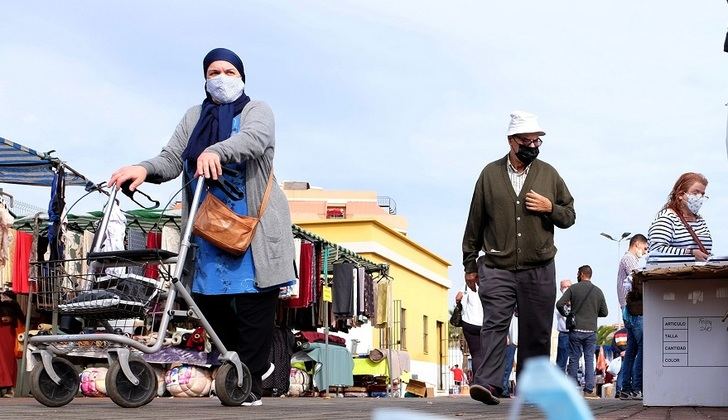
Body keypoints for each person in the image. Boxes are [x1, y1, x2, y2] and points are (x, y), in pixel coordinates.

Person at [109, 48, 296, 407]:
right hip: (207, 227)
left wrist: (217, 151)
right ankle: (237, 368)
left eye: (229, 71)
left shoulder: (257, 110)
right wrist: (143, 169)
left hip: (252, 227)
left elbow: (255, 140)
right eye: (214, 71)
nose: (221, 77)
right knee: (207, 301)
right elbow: (171, 157)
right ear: (204, 78)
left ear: (241, 77)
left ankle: (251, 379)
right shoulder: (195, 116)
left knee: (255, 305)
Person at [462, 110, 576, 405]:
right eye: (527, 141)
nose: (533, 146)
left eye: (537, 141)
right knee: (494, 326)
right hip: (497, 265)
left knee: (536, 331)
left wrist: (550, 206)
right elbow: (474, 221)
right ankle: (487, 384)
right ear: (512, 141)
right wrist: (469, 265)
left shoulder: (548, 174)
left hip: (539, 267)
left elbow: (569, 216)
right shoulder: (489, 174)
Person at [556, 265, 608, 397]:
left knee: (573, 358)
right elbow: (605, 312)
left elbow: (559, 304)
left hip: (576, 330)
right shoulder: (598, 291)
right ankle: (589, 388)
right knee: (589, 359)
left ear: (581, 274)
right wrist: (592, 314)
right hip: (591, 331)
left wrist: (567, 314)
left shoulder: (573, 289)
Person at [648, 172, 712, 260]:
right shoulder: (667, 218)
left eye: (702, 194)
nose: (699, 197)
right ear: (681, 195)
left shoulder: (700, 220)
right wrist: (690, 253)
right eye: (695, 193)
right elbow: (655, 251)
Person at [616, 234, 647, 400]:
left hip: (628, 311)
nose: (645, 251)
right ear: (637, 244)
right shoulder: (629, 259)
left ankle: (626, 388)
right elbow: (638, 277)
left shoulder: (627, 259)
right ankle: (636, 387)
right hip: (634, 310)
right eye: (645, 248)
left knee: (631, 351)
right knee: (643, 348)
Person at [455, 282, 484, 379]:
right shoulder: (489, 282)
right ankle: (488, 382)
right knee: (488, 354)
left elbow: (458, 297)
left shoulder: (467, 284)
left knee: (476, 354)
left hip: (469, 323)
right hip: (486, 324)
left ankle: (478, 381)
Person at [0, 290, 24, 397]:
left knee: (8, 360)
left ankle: (9, 387)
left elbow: (21, 318)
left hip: (9, 333)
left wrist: (11, 303)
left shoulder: (14, 305)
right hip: (2, 332)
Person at [555, 279, 572, 372]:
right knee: (561, 361)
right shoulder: (559, 302)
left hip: (575, 333)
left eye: (568, 286)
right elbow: (562, 313)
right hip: (564, 333)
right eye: (564, 287)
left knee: (575, 360)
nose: (566, 289)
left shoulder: (577, 300)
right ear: (561, 289)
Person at [500, 315, 518, 398]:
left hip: (516, 341)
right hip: (512, 342)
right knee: (508, 366)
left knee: (509, 366)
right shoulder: (511, 312)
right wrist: (506, 336)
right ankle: (504, 389)